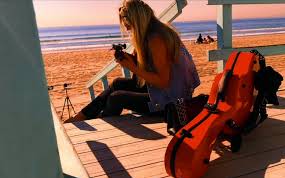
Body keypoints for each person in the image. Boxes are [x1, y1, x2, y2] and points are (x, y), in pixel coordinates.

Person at [64, 0, 200, 123]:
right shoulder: (155, 32)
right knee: (118, 83)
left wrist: (133, 67)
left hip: (172, 101)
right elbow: (156, 68)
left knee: (116, 98)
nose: (128, 29)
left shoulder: (156, 39)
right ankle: (82, 117)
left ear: (137, 21)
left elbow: (163, 81)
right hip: (169, 91)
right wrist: (134, 60)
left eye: (129, 25)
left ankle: (101, 124)